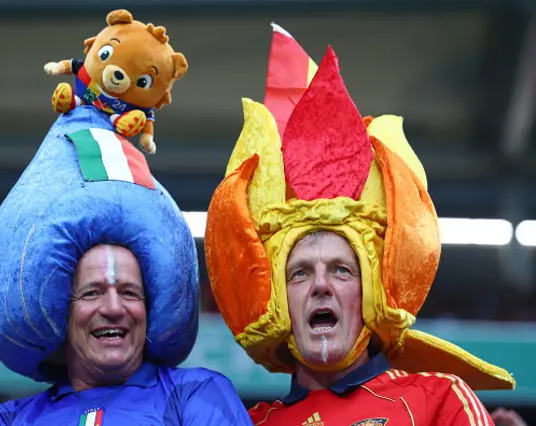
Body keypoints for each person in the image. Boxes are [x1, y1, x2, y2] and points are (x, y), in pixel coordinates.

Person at [203, 23, 516, 425]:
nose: (320, 285)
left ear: (370, 293)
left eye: (341, 270)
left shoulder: (440, 401)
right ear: (278, 303)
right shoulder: (252, 422)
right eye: (299, 274)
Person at [0, 45, 252, 424]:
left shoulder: (195, 396)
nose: (114, 308)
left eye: (130, 292)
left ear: (150, 309)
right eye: (92, 292)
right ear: (61, 312)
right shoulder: (8, 420)